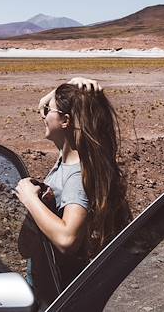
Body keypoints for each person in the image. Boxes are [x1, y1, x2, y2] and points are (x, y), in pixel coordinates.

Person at [15, 77, 132, 292]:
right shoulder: (71, 155)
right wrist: (70, 84)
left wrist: (30, 199)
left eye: (49, 112)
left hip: (56, 291)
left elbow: (67, 238)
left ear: (66, 121)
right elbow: (42, 104)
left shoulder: (77, 175)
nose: (42, 115)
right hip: (51, 280)